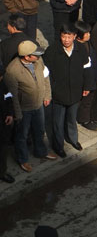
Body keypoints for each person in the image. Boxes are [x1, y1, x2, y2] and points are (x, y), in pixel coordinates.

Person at [4, 41, 57, 173]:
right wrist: (18, 114)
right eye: (35, 54)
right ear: (27, 57)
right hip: (24, 109)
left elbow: (46, 77)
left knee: (39, 130)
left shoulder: (38, 61)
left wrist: (47, 95)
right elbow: (13, 96)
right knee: (22, 135)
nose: (38, 56)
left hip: (38, 104)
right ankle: (23, 159)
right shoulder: (12, 71)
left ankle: (41, 151)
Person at [43, 24, 90, 158]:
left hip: (75, 92)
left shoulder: (81, 49)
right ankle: (58, 146)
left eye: (69, 36)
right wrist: (47, 93)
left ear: (75, 37)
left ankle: (73, 140)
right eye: (64, 36)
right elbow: (45, 75)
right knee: (57, 122)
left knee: (71, 119)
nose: (66, 40)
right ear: (60, 36)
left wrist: (86, 86)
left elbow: (86, 69)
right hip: (58, 94)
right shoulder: (52, 51)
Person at [74, 21, 97, 131]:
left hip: (93, 76)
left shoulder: (88, 43)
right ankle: (84, 119)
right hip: (84, 81)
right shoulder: (77, 48)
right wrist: (86, 86)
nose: (89, 35)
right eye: (86, 33)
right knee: (85, 102)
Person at [0, 74, 15, 183]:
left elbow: (8, 96)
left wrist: (10, 113)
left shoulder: (2, 84)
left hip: (3, 124)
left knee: (3, 149)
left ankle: (2, 172)